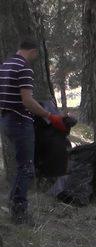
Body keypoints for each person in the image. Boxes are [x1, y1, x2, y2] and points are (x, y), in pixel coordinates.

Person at [0, 40, 67, 225]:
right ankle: (19, 212)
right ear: (34, 51)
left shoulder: (5, 65)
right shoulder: (24, 68)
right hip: (20, 121)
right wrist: (49, 116)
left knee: (22, 165)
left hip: (6, 120)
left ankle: (14, 202)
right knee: (26, 167)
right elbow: (27, 100)